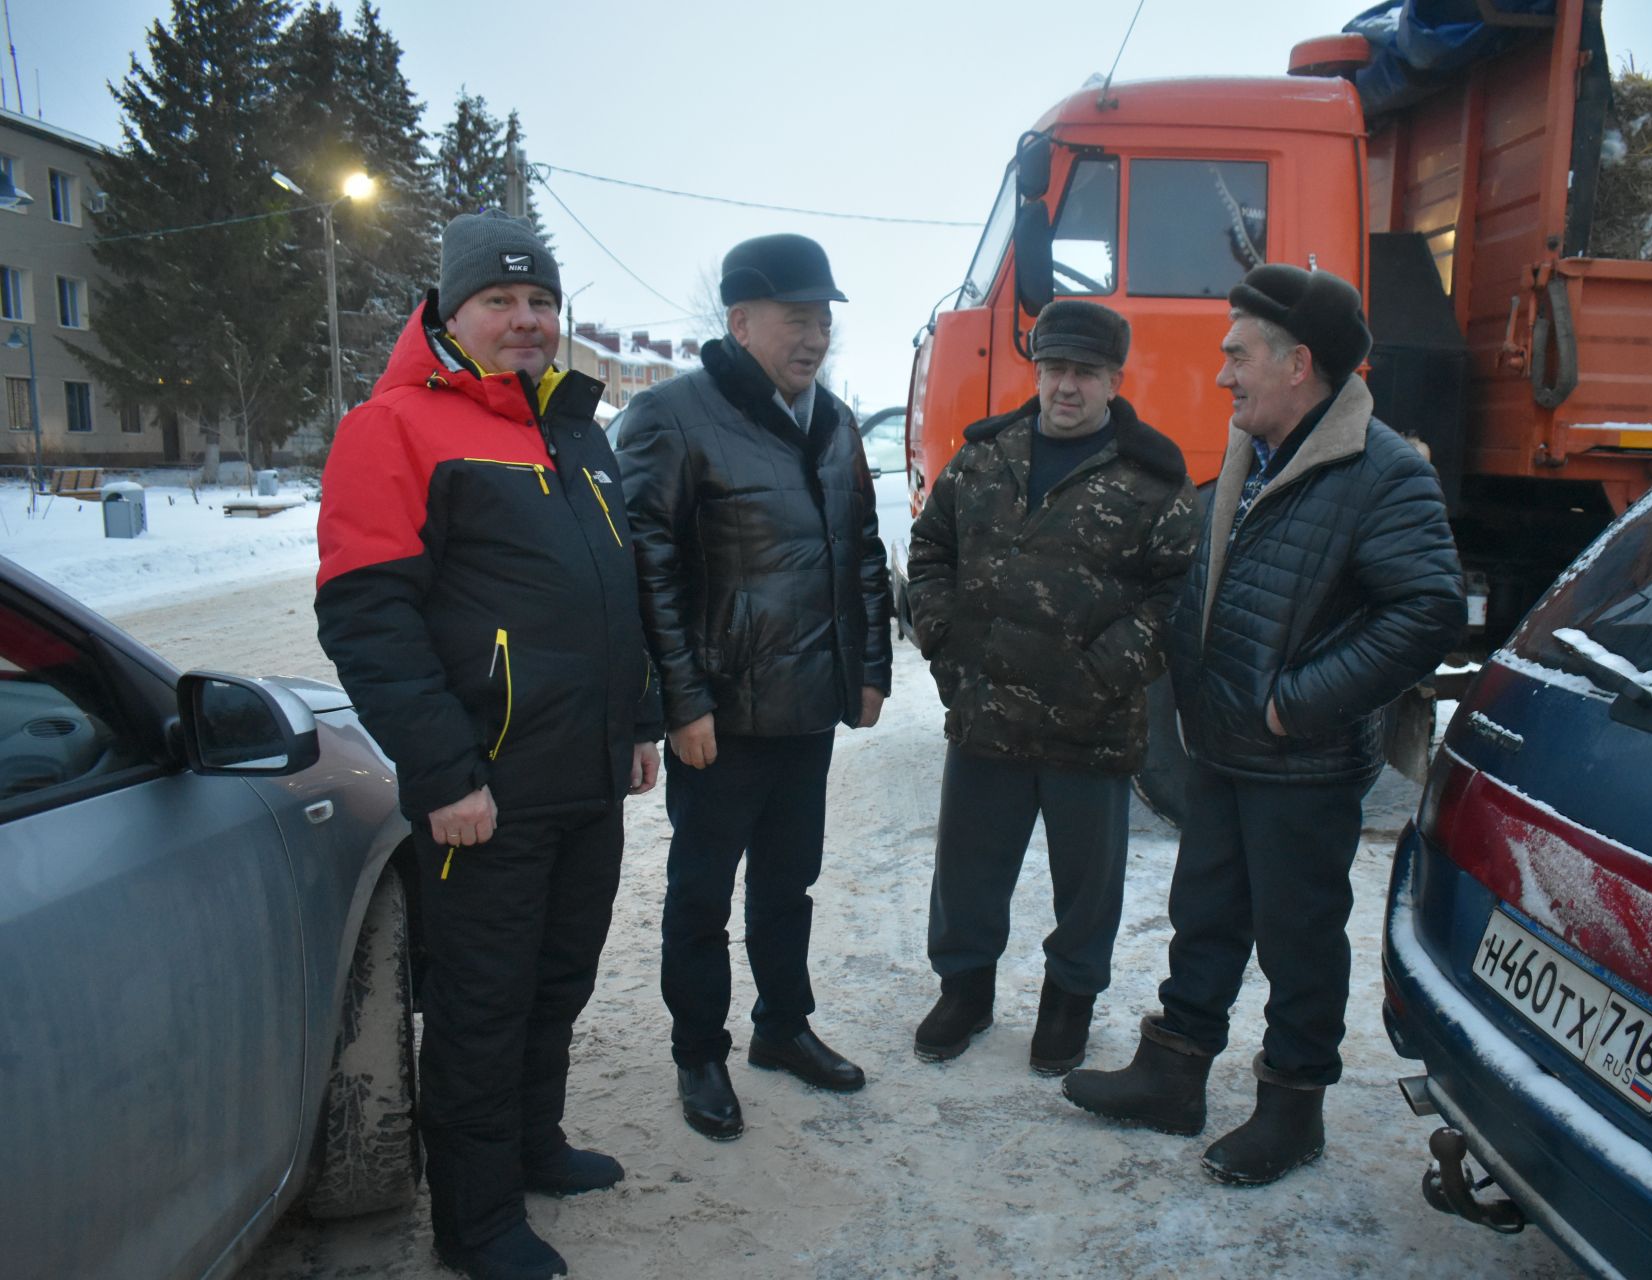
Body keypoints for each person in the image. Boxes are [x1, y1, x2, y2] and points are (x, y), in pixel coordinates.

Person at [1062, 265, 1466, 1187]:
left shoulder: (1383, 473)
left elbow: (1428, 612)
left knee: (1299, 940)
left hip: (1301, 758)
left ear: (1299, 363)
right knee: (1203, 916)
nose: (1221, 376)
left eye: (1237, 356)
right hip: (1224, 747)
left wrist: (1298, 701)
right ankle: (1173, 1076)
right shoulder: (1258, 454)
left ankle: (1293, 1111)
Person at [316, 209, 662, 1280]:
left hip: (584, 774)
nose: (527, 320)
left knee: (557, 978)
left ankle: (532, 1144)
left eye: (542, 301)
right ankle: (474, 1222)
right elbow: (367, 616)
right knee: (481, 1000)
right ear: (452, 311)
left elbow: (613, 592)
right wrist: (444, 771)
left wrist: (637, 718)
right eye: (502, 301)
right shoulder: (394, 426)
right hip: (485, 788)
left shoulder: (570, 426)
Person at [614, 233, 891, 1142]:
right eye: (794, 318)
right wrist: (678, 702)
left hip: (808, 707)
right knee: (701, 894)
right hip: (721, 716)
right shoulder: (673, 417)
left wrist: (872, 671)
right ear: (740, 322)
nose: (812, 336)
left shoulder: (838, 422)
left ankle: (783, 1028)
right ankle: (700, 1051)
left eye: (822, 320)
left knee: (789, 884)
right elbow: (644, 569)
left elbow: (863, 555)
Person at [905, 299, 1198, 1074]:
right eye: (1054, 370)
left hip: (1089, 725)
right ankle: (964, 992)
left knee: (1088, 887)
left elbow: (1176, 597)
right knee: (967, 869)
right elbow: (929, 549)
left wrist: (1102, 672)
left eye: (1084, 373)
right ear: (1038, 372)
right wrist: (946, 643)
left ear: (1113, 380)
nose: (1065, 387)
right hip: (987, 712)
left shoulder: (1151, 479)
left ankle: (1069, 1003)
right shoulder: (984, 457)